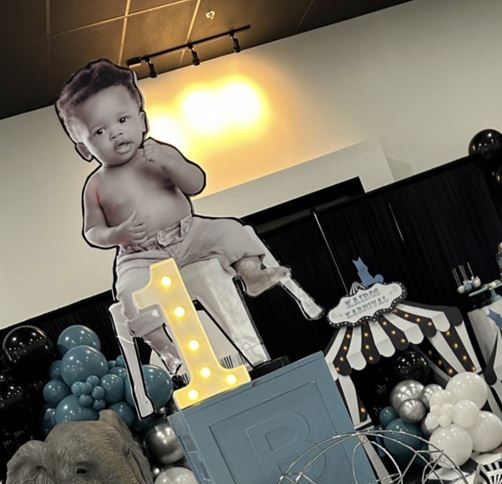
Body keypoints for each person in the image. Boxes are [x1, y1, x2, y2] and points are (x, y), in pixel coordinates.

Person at [55, 59, 322, 374]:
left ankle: (251, 274)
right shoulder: (96, 185)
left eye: (122, 119)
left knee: (231, 230)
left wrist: (171, 163)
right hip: (141, 254)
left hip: (190, 233)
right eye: (99, 131)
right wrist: (117, 235)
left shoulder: (159, 153)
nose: (115, 133)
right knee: (129, 293)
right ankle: (167, 350)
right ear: (85, 149)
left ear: (142, 120)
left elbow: (195, 182)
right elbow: (93, 231)